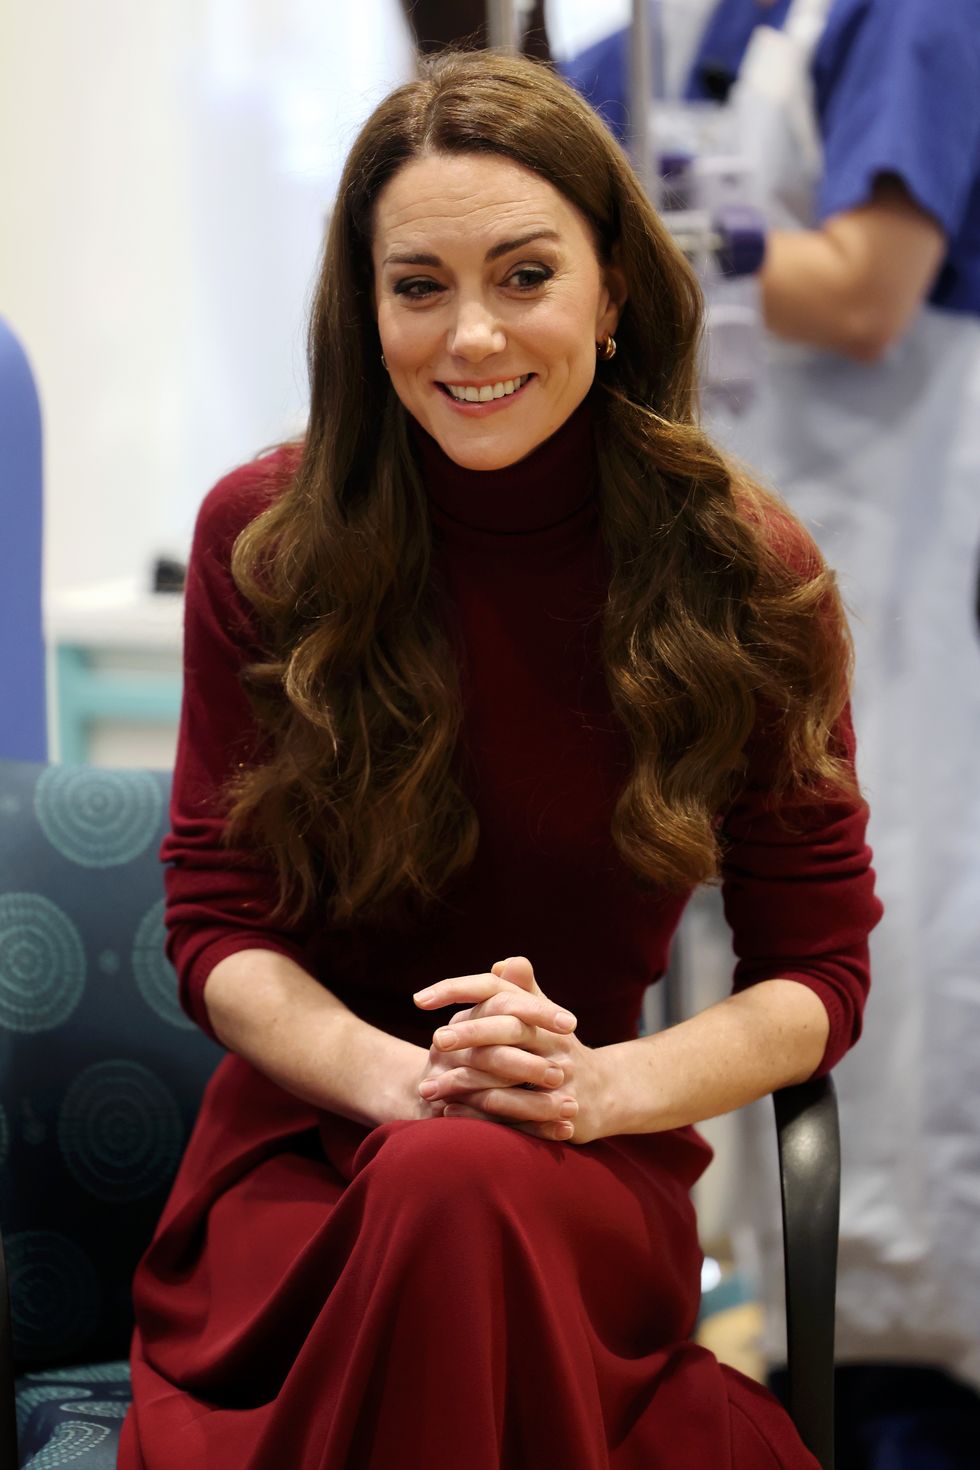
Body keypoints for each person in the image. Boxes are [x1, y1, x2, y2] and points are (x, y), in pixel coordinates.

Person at [119, 49, 882, 1470]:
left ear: (617, 296)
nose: (471, 335)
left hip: (587, 1162)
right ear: (367, 310)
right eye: (420, 286)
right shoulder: (265, 545)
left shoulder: (750, 576)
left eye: (524, 276)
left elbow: (817, 974)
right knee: (446, 1176)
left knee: (467, 1184)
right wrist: (405, 1081)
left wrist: (596, 1087)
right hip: (307, 1174)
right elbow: (217, 927)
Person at [685, 2, 980, 1464]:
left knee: (893, 990)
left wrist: (697, 243)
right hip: (738, 600)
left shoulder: (910, 20)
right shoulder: (716, 25)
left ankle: (900, 1399)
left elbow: (869, 292)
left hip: (894, 591)